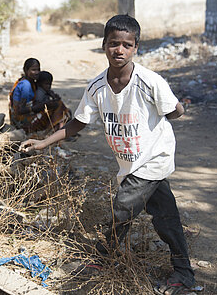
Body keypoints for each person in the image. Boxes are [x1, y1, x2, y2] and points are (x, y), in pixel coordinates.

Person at [21, 15, 194, 294]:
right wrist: (44, 143)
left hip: (153, 159)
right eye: (114, 43)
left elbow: (176, 110)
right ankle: (184, 272)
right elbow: (77, 123)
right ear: (104, 45)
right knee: (166, 217)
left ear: (136, 47)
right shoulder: (97, 87)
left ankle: (101, 257)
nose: (120, 50)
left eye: (127, 44)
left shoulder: (149, 82)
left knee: (122, 206)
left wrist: (156, 122)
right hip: (130, 163)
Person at [9, 58, 70, 133]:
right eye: (33, 70)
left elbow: (42, 87)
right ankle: (59, 132)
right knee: (59, 107)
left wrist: (51, 93)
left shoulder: (30, 81)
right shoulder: (26, 85)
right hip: (21, 120)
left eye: (38, 69)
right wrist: (42, 105)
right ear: (25, 70)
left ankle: (60, 131)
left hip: (23, 116)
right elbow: (20, 110)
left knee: (56, 104)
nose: (37, 72)